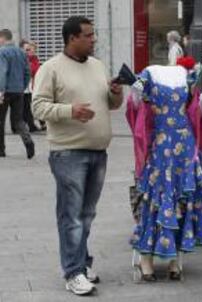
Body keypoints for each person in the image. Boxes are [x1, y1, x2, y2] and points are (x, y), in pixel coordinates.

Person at [32, 16, 123, 296]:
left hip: (98, 152)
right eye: (88, 35)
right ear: (72, 38)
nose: (94, 39)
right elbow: (37, 107)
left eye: (93, 34)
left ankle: (81, 263)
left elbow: (112, 104)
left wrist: (115, 93)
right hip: (68, 153)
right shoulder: (51, 68)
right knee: (70, 215)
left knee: (87, 214)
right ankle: (73, 272)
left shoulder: (97, 65)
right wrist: (70, 111)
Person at [127, 56, 202, 282]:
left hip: (185, 146)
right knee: (156, 200)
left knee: (182, 202)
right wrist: (136, 96)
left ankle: (174, 260)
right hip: (161, 145)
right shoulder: (148, 75)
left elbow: (191, 110)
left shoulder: (187, 76)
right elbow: (136, 111)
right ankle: (146, 260)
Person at [0, 29, 34, 158]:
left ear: (2, 38)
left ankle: (1, 150)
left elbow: (2, 72)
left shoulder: (2, 52)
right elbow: (27, 72)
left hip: (5, 91)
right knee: (18, 120)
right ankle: (28, 141)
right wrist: (22, 86)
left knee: (0, 121)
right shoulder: (21, 52)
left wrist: (1, 90)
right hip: (18, 91)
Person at [21, 39, 41, 132]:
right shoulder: (24, 59)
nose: (32, 51)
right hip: (25, 86)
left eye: (33, 49)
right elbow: (31, 71)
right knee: (26, 107)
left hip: (32, 86)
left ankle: (27, 125)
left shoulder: (35, 59)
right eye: (29, 49)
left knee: (27, 107)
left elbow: (36, 71)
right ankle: (29, 125)